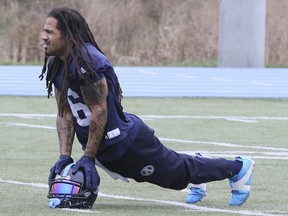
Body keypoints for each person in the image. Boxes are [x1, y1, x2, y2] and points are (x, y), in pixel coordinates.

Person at [40, 6, 255, 207]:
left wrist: (88, 157)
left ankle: (238, 167)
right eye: (44, 31)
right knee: (177, 170)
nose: (44, 37)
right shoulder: (57, 62)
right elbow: (65, 112)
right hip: (104, 147)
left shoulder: (86, 62)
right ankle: (197, 166)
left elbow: (99, 111)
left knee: (177, 176)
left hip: (126, 142)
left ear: (67, 35)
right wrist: (64, 156)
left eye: (50, 32)